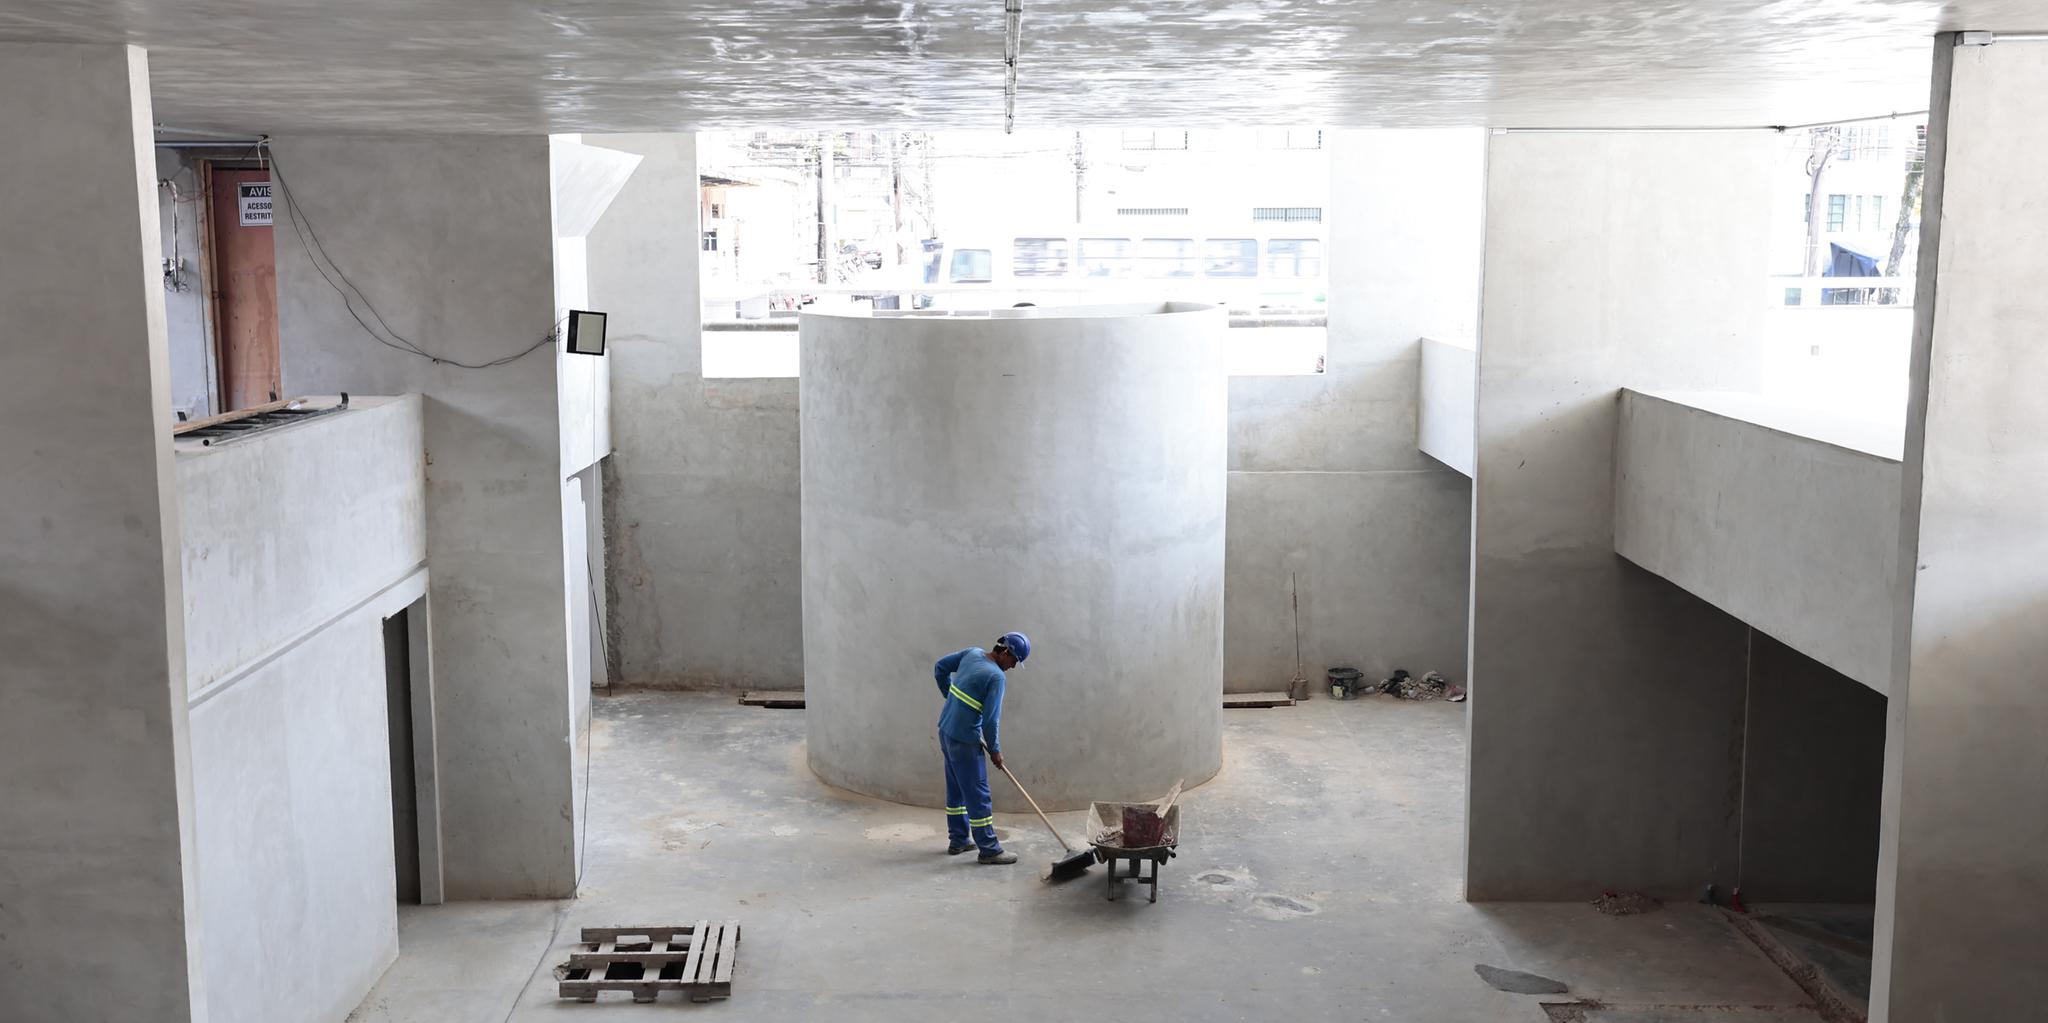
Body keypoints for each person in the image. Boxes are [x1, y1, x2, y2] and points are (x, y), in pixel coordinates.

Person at [933, 632, 1031, 864]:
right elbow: (990, 721)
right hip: (965, 741)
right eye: (1014, 660)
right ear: (1005, 652)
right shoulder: (996, 677)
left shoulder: (972, 653)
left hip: (946, 732)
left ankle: (958, 840)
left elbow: (940, 667)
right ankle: (989, 849)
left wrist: (951, 699)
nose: (1013, 667)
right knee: (978, 795)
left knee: (956, 790)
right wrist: (995, 751)